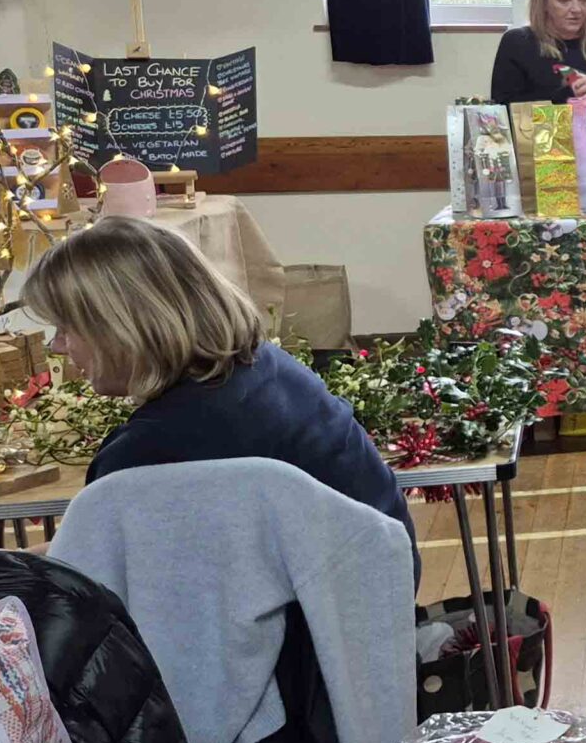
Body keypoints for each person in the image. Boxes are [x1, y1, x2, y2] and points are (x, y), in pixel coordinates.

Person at [23, 216, 411, 533]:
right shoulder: (265, 367)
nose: (58, 346)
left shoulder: (149, 452)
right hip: (371, 596)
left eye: (65, 328)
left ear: (119, 329)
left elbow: (99, 585)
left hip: (305, 623)